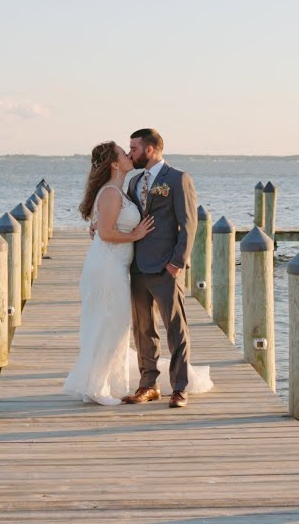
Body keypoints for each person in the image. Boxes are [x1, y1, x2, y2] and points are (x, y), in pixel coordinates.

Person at [61, 141, 155, 405]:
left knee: (112, 323)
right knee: (110, 323)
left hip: (114, 266)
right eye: (123, 154)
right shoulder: (112, 192)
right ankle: (97, 384)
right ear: (114, 164)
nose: (128, 155)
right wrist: (136, 235)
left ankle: (109, 381)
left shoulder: (117, 191)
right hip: (107, 268)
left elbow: (102, 227)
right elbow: (105, 233)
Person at [121, 128, 208, 408]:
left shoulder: (178, 179)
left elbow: (189, 224)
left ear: (150, 149)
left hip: (165, 267)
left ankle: (179, 388)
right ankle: (148, 385)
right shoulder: (135, 182)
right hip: (137, 266)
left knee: (175, 329)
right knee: (143, 329)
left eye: (134, 148)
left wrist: (176, 263)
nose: (130, 153)